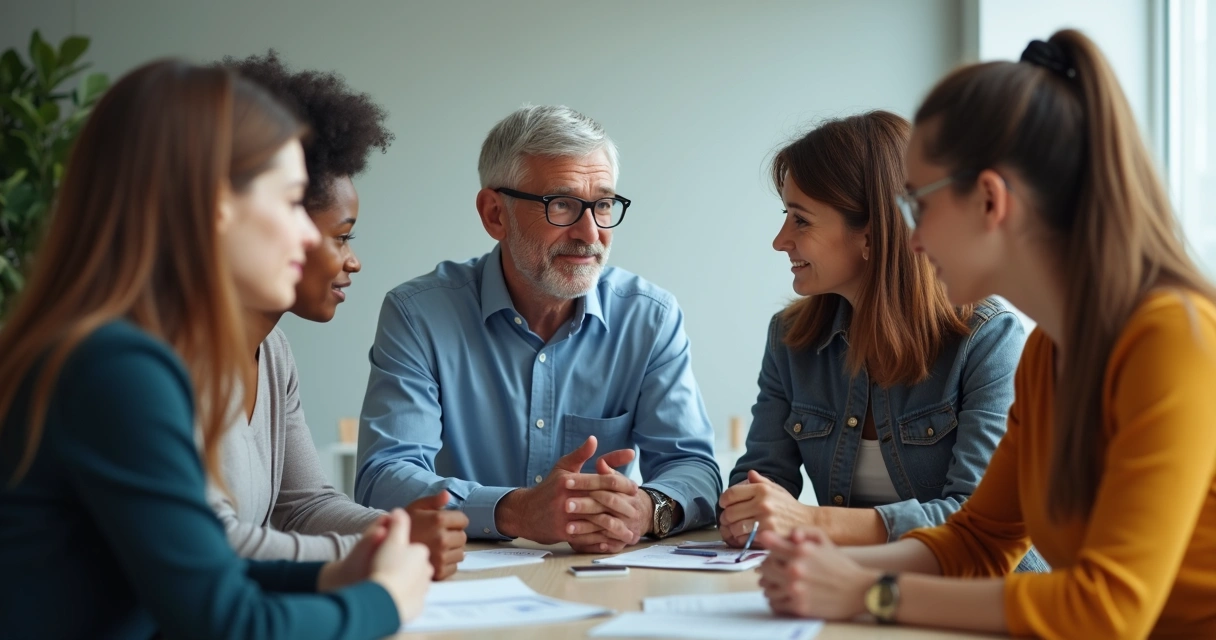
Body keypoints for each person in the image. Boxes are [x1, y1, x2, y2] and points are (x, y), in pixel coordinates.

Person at [757, 30, 1216, 638]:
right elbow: (981, 539)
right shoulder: (1050, 350)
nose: (911, 240)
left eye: (919, 205)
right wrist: (825, 568)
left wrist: (870, 592)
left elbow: (1107, 610)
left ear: (990, 201)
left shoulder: (1171, 338)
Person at [0, 60, 432, 638]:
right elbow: (226, 622)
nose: (309, 236)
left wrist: (331, 576)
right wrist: (384, 600)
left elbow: (197, 570)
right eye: (288, 202)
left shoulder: (113, 348)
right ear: (214, 208)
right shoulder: (117, 367)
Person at [355, 105, 722, 552]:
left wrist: (648, 508)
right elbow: (384, 476)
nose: (590, 232)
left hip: (602, 578)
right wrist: (515, 511)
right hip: (460, 586)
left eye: (603, 204)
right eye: (562, 204)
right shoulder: (419, 315)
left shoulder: (649, 317)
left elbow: (694, 467)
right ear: (495, 214)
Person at [721, 111, 1044, 571]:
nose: (780, 241)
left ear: (871, 235)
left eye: (801, 220)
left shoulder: (987, 339)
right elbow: (760, 482)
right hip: (856, 593)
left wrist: (815, 522)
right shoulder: (789, 340)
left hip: (983, 603)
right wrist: (744, 511)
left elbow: (977, 522)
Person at [208, 51, 466, 580]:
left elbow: (300, 507)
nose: (352, 260)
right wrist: (380, 548)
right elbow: (212, 547)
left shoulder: (273, 351)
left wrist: (397, 532)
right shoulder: (167, 356)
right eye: (340, 236)